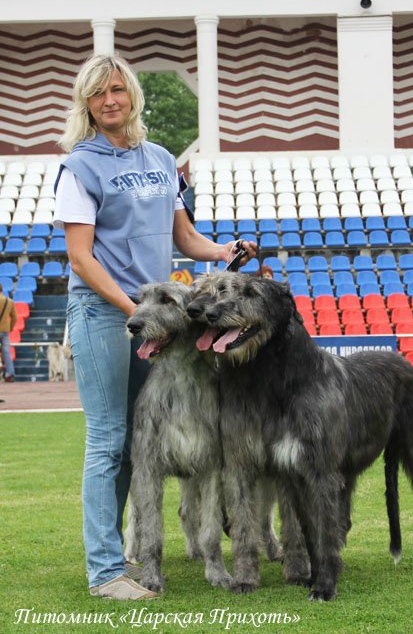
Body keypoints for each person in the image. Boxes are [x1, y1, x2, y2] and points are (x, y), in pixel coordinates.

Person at [53, 54, 256, 600]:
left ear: (133, 95)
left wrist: (225, 249)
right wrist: (133, 311)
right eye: (97, 94)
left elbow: (184, 240)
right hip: (107, 314)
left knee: (144, 442)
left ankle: (133, 549)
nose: (109, 100)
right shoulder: (80, 167)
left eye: (117, 89)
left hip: (160, 321)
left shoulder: (163, 158)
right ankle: (105, 571)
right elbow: (80, 258)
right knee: (110, 440)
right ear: (86, 104)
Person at [0, 284, 17, 382]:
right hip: (5, 330)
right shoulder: (9, 301)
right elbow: (15, 317)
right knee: (7, 352)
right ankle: (10, 373)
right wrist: (10, 328)